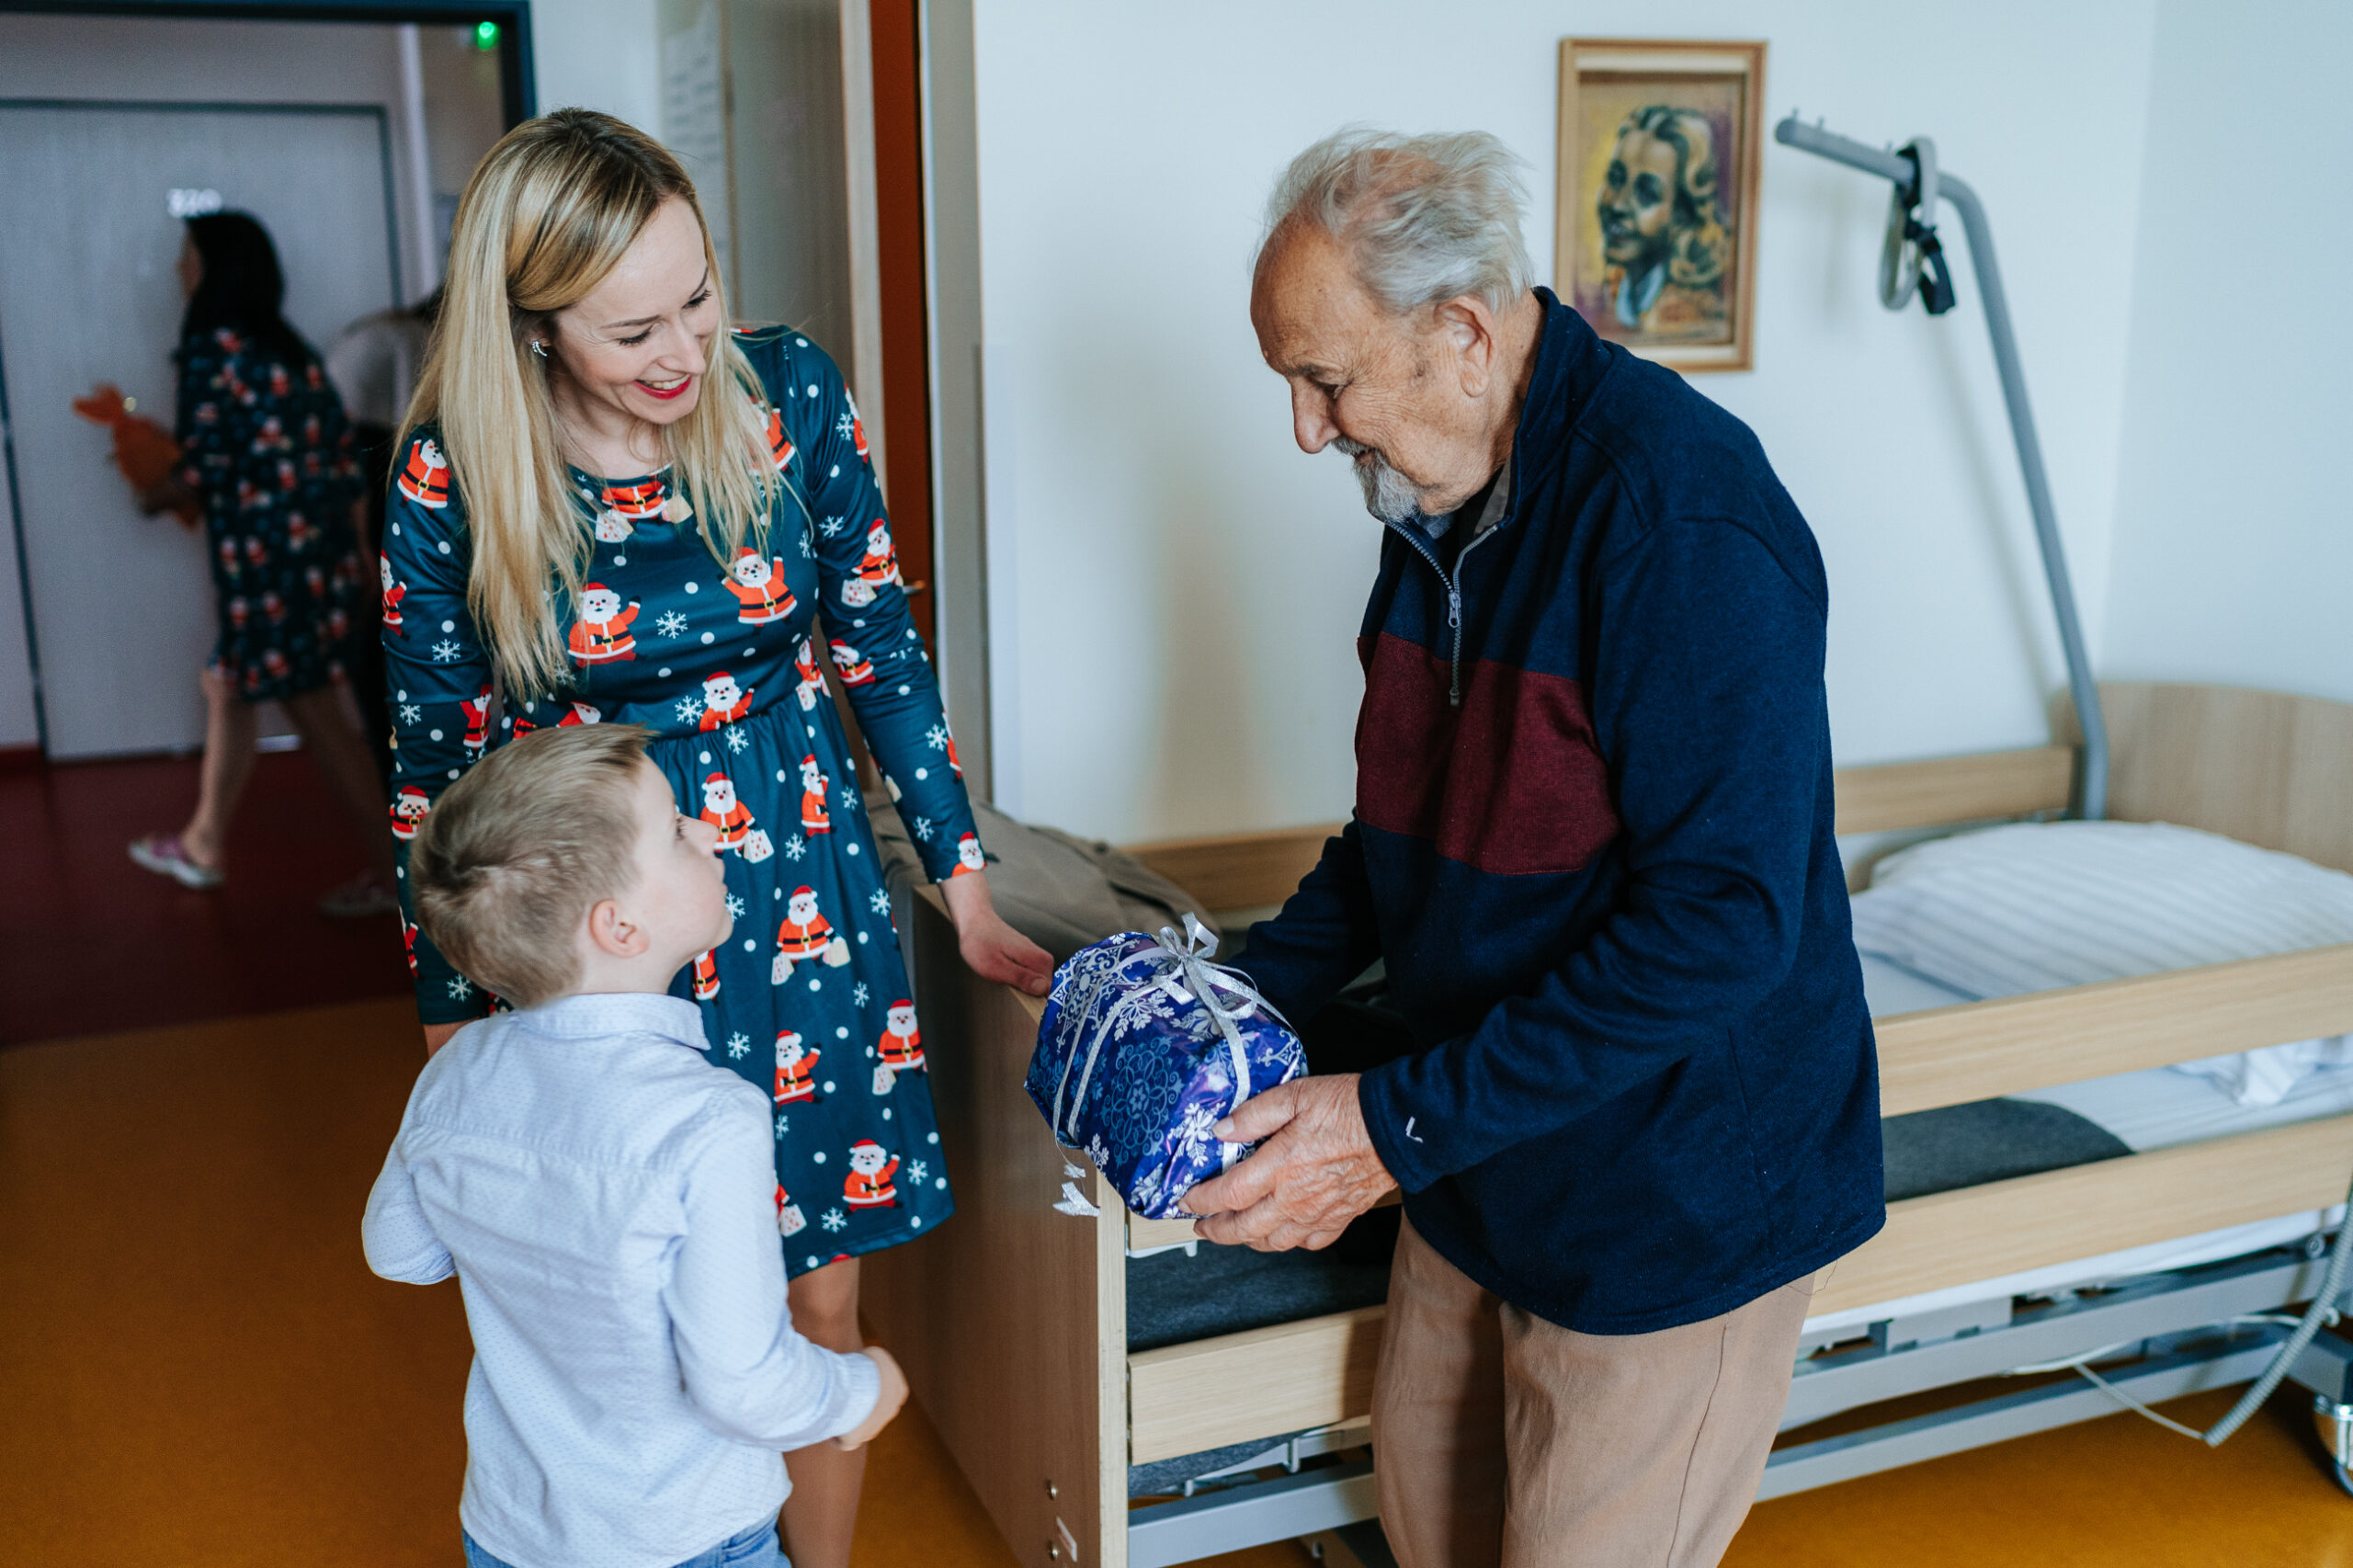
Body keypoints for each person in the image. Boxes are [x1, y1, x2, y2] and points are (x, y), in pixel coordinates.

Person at [1181, 129, 1883, 1568]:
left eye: (1324, 380)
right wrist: (1228, 1000)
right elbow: (1401, 833)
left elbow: (1721, 928)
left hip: (1667, 1198)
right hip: (1481, 1158)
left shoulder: (1680, 519)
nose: (1308, 430)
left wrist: (1386, 1126)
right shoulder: (1434, 505)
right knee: (1429, 1532)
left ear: (1460, 333)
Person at [381, 109, 1052, 1568]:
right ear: (535, 325)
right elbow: (433, 764)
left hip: (798, 876)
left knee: (815, 1298)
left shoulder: (788, 393)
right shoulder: (458, 467)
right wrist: (449, 1021)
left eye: (698, 296)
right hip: (593, 909)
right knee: (623, 1313)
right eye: (634, 331)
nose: (686, 349)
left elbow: (879, 645)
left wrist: (966, 889)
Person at [362, 722, 910, 1568]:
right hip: (687, 1538)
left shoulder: (458, 1072)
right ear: (619, 927)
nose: (711, 832)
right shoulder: (710, 1121)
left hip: (510, 1532)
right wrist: (860, 1390)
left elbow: (399, 1253)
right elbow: (742, 1387)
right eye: (678, 830)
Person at [128, 210, 399, 916]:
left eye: (189, 257)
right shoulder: (287, 348)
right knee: (228, 684)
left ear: (216, 270)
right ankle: (203, 844)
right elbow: (343, 456)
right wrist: (359, 557)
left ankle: (397, 878)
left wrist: (154, 492)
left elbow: (206, 467)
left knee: (317, 712)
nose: (180, 271)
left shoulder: (210, 350)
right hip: (320, 558)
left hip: (268, 571)